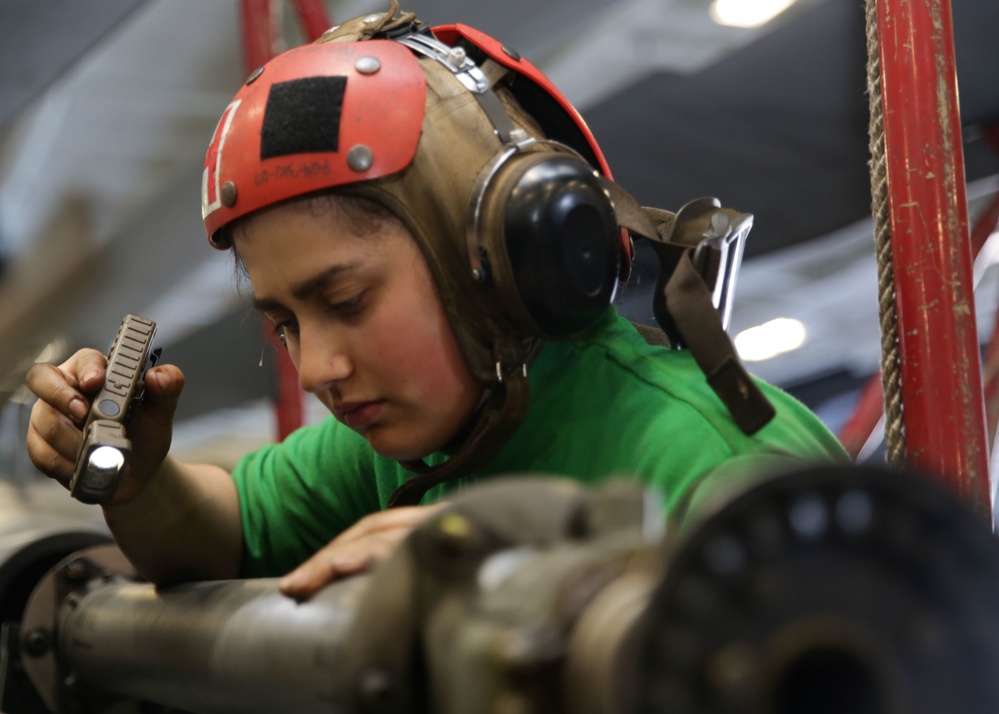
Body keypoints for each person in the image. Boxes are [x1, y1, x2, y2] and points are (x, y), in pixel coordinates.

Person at [25, 3, 848, 600]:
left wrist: (527, 586)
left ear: (506, 257)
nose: (316, 368)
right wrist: (140, 479)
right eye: (284, 323)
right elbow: (229, 529)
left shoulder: (724, 468)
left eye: (344, 300)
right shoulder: (420, 441)